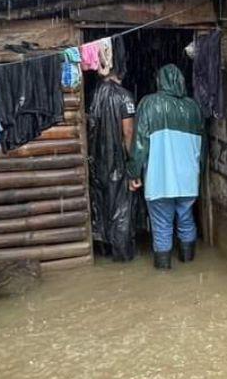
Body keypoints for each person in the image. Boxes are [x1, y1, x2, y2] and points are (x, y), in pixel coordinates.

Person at [128, 64, 204, 270]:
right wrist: (200, 174)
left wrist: (133, 172)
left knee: (162, 226)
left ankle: (163, 273)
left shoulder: (149, 104)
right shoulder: (193, 108)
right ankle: (189, 265)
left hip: (159, 179)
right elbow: (202, 147)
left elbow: (139, 143)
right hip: (188, 179)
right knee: (186, 220)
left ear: (159, 81)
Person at [87, 69, 136, 262]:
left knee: (100, 206)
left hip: (95, 163)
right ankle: (122, 255)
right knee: (121, 210)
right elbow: (128, 132)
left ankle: (103, 249)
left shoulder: (91, 95)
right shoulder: (125, 96)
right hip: (118, 162)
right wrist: (133, 162)